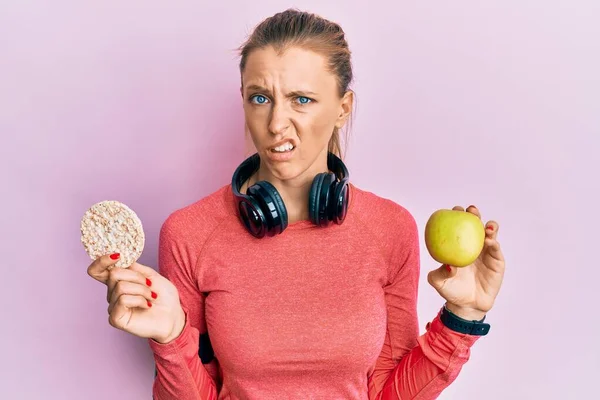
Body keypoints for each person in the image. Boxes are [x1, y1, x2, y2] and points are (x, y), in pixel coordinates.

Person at [87, 8, 505, 400]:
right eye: (260, 98)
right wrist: (171, 337)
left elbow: (388, 393)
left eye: (301, 99)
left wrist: (463, 313)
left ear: (343, 109)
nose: (275, 124)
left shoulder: (390, 228)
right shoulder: (190, 233)